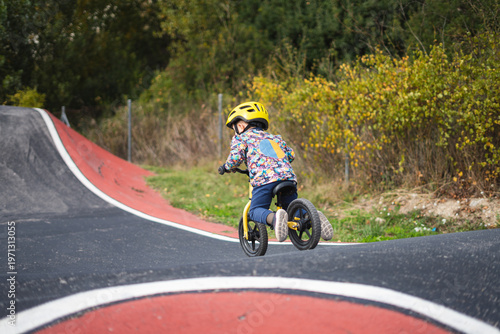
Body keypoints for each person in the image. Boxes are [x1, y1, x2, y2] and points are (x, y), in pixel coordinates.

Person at [219, 101, 333, 242]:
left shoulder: (242, 138)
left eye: (234, 127)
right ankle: (311, 216)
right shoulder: (275, 138)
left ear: (241, 125)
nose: (235, 131)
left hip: (264, 179)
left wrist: (226, 167)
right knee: (290, 207)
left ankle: (275, 219)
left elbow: (235, 158)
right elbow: (291, 155)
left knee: (255, 210)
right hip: (288, 177)